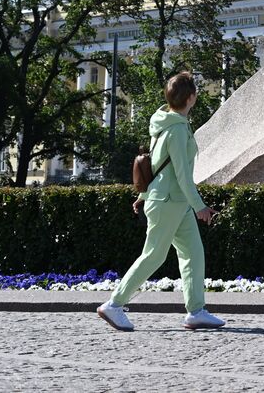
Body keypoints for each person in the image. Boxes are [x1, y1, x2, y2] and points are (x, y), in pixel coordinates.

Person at [97, 71, 224, 332]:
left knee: (193, 254)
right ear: (191, 98)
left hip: (174, 202)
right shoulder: (176, 129)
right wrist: (200, 205)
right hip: (169, 202)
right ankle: (114, 304)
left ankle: (196, 311)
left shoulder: (166, 122)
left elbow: (155, 165)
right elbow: (180, 174)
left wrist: (144, 196)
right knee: (153, 255)